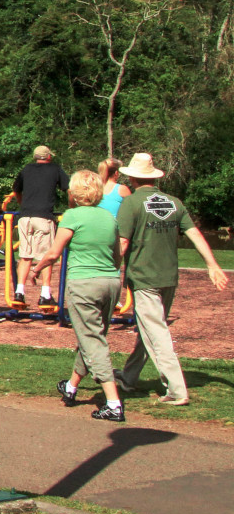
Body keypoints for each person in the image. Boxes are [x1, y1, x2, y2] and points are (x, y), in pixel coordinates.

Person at [115, 153, 228, 406]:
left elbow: (122, 242)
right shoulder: (175, 202)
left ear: (132, 177)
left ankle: (176, 389)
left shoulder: (131, 204)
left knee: (157, 333)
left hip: (144, 278)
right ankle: (129, 377)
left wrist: (110, 270)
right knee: (150, 329)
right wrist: (212, 264)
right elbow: (194, 233)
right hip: (168, 277)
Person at [30, 170, 124, 421]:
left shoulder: (72, 216)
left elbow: (53, 253)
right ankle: (71, 387)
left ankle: (113, 403)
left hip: (84, 283)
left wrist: (36, 269)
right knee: (93, 335)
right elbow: (117, 256)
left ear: (74, 193)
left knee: (93, 340)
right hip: (111, 282)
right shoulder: (108, 217)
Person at [11, 145, 69, 310]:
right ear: (48, 157)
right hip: (43, 216)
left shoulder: (26, 169)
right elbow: (68, 188)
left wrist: (23, 205)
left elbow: (16, 190)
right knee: (46, 256)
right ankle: (45, 294)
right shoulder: (54, 169)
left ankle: (19, 292)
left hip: (25, 217)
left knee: (25, 256)